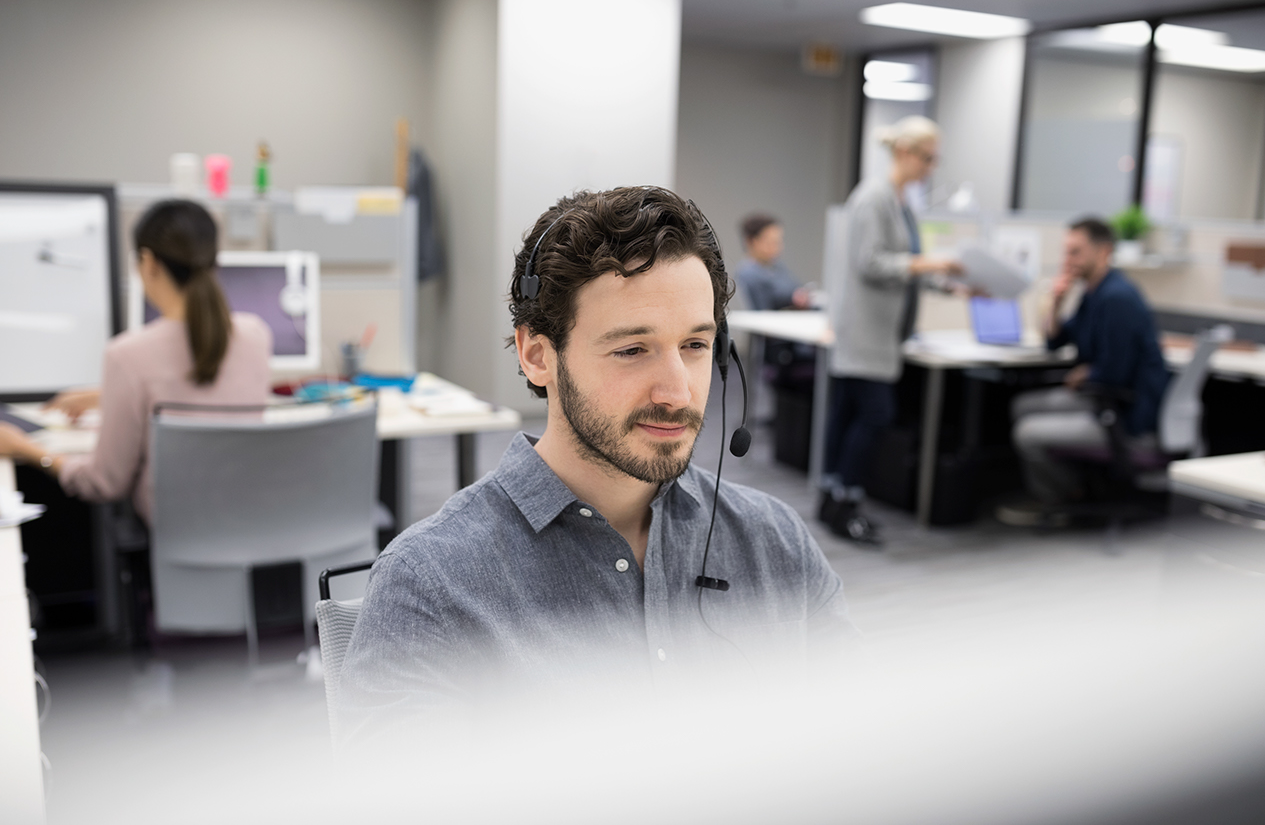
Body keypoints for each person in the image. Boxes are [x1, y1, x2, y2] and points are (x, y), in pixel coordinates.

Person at [337, 187, 853, 741]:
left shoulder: (776, 543)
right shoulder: (431, 585)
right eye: (633, 350)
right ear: (538, 355)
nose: (678, 392)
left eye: (696, 346)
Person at [0, 199, 272, 524]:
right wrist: (105, 395)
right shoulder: (256, 335)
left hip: (166, 548)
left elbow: (103, 483)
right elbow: (202, 389)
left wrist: (28, 450)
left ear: (148, 262)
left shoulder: (128, 355)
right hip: (249, 534)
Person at [821, 116, 961, 545]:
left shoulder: (900, 202)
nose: (931, 167)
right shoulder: (874, 198)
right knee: (872, 415)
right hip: (866, 332)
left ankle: (835, 500)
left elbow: (905, 262)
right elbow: (873, 262)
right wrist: (934, 264)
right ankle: (845, 504)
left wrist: (945, 282)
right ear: (903, 152)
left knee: (852, 415)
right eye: (927, 158)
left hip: (882, 333)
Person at [998, 217, 1170, 524]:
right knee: (1021, 405)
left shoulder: (1118, 298)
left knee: (1027, 432)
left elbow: (1115, 374)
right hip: (1104, 398)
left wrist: (1087, 374)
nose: (1068, 261)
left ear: (1103, 252)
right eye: (1066, 252)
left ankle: (1058, 501)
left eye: (1076, 252)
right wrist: (1057, 301)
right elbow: (1055, 341)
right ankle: (1076, 488)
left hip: (1124, 416)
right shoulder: (1094, 294)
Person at [736, 213, 809, 312]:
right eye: (770, 242)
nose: (777, 248)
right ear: (752, 241)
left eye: (778, 242)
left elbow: (795, 288)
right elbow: (762, 311)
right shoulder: (747, 274)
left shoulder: (778, 267)